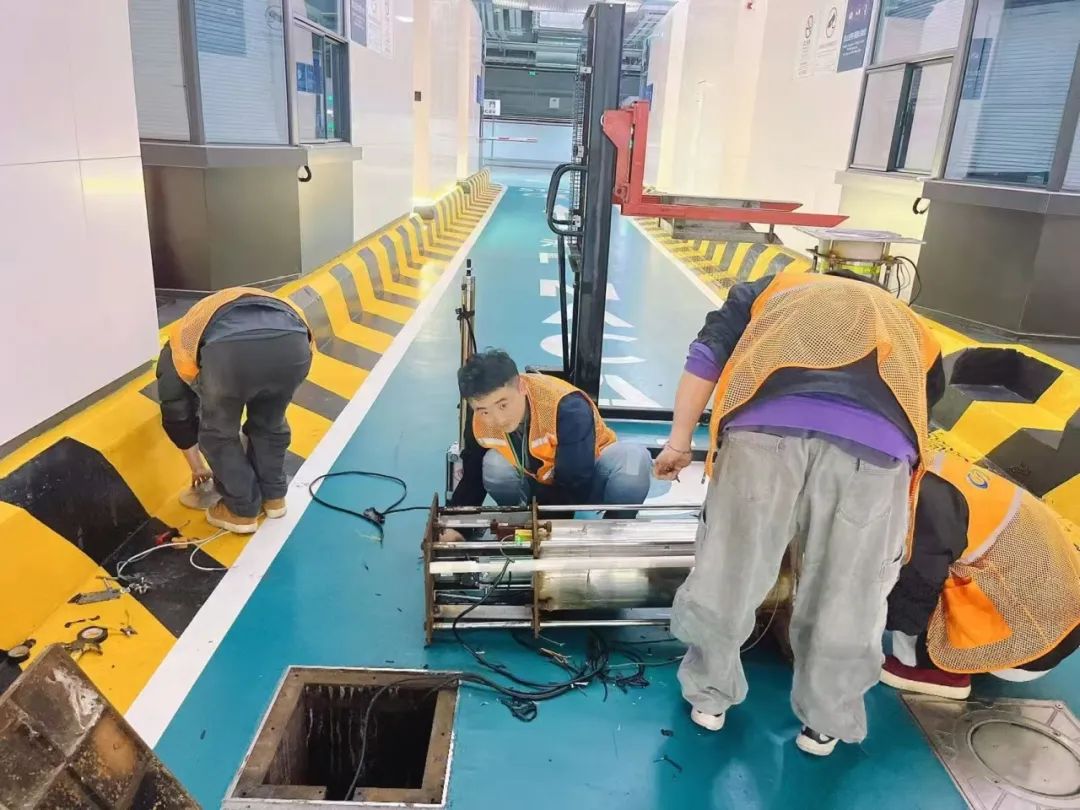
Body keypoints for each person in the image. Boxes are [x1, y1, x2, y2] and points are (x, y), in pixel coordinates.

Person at [653, 270, 944, 757]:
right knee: (849, 590)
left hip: (764, 431)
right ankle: (826, 722)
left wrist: (679, 442)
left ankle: (710, 695)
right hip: (875, 450)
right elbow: (921, 399)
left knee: (731, 570)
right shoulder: (907, 321)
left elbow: (705, 357)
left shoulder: (770, 289)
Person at [882, 452, 1080, 698]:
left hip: (1030, 647)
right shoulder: (926, 466)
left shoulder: (919, 502)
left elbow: (913, 596)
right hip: (1054, 626)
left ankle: (927, 668)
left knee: (908, 569)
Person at [157, 287, 314, 534]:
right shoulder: (214, 313)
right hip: (294, 341)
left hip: (229, 353)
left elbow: (176, 408)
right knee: (270, 422)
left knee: (218, 434)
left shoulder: (177, 344)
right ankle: (274, 497)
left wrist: (197, 466)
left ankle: (241, 509)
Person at [446, 350, 651, 520]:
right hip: (534, 484)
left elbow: (574, 480)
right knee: (494, 464)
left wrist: (546, 529)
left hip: (587, 478)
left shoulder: (567, 407)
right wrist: (456, 524)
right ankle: (515, 518)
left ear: (522, 387)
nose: (498, 419)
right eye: (483, 410)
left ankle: (615, 528)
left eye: (503, 405)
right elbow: (472, 473)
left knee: (633, 459)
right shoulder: (479, 416)